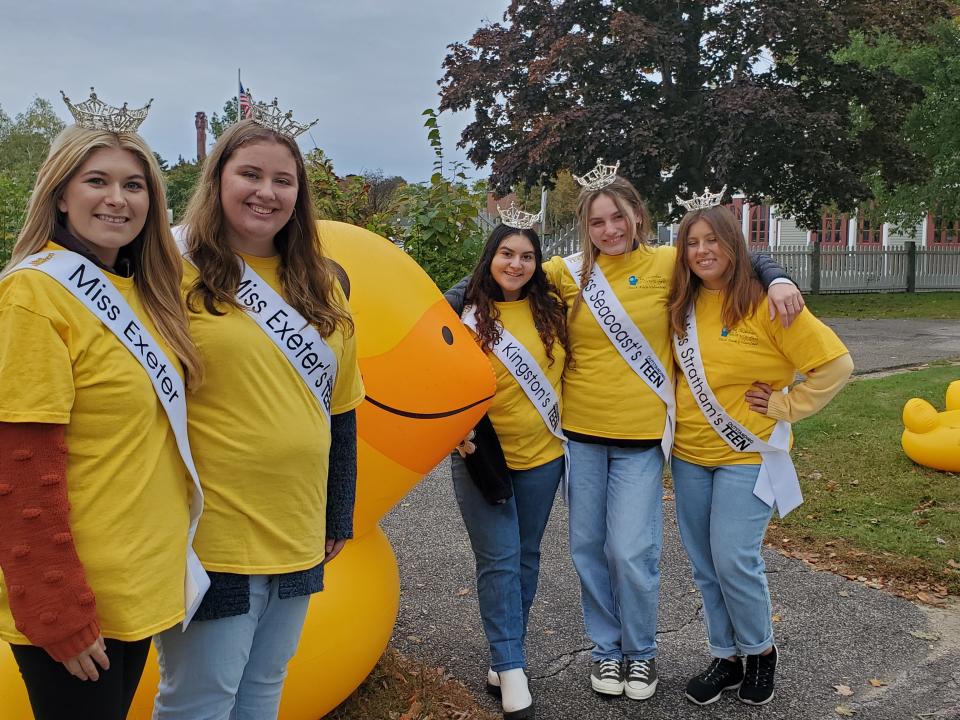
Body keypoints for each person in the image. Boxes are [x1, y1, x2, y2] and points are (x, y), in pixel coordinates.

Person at [541, 161, 806, 701]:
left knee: (632, 551)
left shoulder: (667, 263)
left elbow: (737, 254)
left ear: (638, 217)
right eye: (597, 222)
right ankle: (605, 651)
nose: (610, 230)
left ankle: (641, 654)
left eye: (619, 217)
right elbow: (502, 274)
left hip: (641, 439)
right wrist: (455, 300)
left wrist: (777, 276)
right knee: (588, 549)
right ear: (584, 228)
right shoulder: (565, 274)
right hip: (582, 436)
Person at [152, 106, 365, 720]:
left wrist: (337, 513)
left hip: (298, 529)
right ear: (218, 180)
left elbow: (342, 411)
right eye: (250, 174)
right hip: (213, 535)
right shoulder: (174, 273)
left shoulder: (322, 284)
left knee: (264, 691)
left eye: (283, 180)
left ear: (299, 195)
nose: (266, 192)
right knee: (200, 702)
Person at [0, 90, 204, 720]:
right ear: (61, 194)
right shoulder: (34, 297)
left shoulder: (147, 293)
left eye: (134, 185)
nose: (118, 199)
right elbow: (18, 467)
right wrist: (54, 608)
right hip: (73, 594)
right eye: (97, 181)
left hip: (136, 582)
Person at [667, 200, 853, 706]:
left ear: (734, 244)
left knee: (734, 557)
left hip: (746, 453)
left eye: (714, 240)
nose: (703, 251)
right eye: (693, 241)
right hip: (688, 454)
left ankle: (761, 651)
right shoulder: (679, 300)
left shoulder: (768, 302)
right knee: (705, 563)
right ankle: (725, 657)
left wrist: (787, 404)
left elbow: (835, 365)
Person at [444, 212, 568, 720]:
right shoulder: (461, 311)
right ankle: (512, 667)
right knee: (497, 558)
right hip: (482, 457)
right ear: (490, 256)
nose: (516, 264)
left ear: (537, 264)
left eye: (527, 256)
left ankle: (505, 655)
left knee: (525, 556)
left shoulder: (551, 308)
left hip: (544, 455)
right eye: (506, 253)